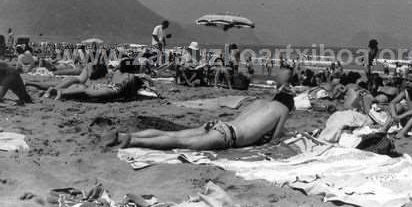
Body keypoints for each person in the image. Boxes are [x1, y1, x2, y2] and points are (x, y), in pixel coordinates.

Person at [104, 68, 295, 150]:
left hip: (221, 126)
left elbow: (246, 120)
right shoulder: (283, 110)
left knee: (174, 135)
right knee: (179, 143)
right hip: (228, 137)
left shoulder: (260, 103)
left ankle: (124, 135)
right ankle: (132, 142)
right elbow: (274, 139)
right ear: (289, 105)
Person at [25, 63, 108, 99]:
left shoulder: (89, 65)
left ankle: (28, 82)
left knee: (48, 85)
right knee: (54, 89)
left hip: (72, 78)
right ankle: (44, 93)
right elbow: (89, 76)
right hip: (75, 81)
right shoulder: (90, 66)